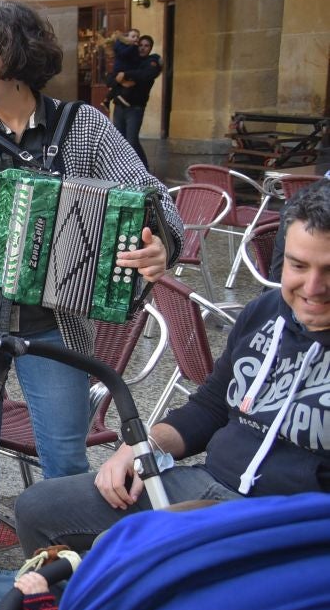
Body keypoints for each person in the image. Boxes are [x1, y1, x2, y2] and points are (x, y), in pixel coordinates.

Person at [0, 0, 184, 552]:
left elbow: (151, 197)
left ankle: (62, 569)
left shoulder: (84, 128)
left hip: (56, 324)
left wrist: (159, 246)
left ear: (13, 62)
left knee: (66, 456)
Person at [16, 178, 330, 555]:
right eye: (298, 265)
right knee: (38, 508)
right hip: (208, 484)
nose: (312, 287)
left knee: (133, 561)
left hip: (288, 525)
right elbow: (211, 406)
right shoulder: (264, 313)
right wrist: (143, 448)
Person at [110, 34, 162, 169]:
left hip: (135, 108)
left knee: (132, 141)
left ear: (150, 48)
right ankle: (123, 169)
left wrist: (126, 75)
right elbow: (111, 79)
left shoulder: (152, 60)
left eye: (147, 46)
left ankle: (144, 169)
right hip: (119, 106)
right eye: (141, 45)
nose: (143, 48)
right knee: (119, 141)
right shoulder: (130, 59)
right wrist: (118, 79)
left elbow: (147, 74)